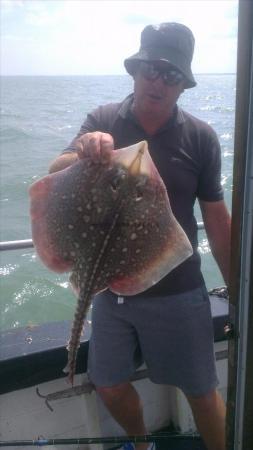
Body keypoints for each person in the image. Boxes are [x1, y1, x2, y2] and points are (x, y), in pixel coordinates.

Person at [49, 23, 231, 450]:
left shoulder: (201, 138)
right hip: (111, 290)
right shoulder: (103, 119)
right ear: (135, 70)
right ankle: (142, 444)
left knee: (201, 390)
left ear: (183, 85)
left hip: (177, 289)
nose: (158, 81)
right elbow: (53, 176)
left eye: (171, 75)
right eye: (151, 68)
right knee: (108, 384)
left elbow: (218, 222)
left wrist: (242, 293)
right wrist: (81, 150)